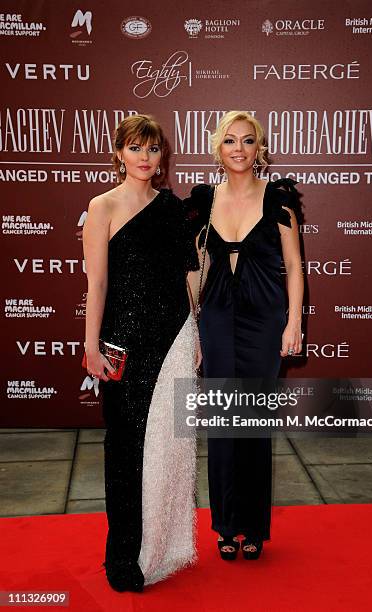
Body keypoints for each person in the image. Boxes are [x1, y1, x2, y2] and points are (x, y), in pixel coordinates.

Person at [83, 114, 199, 592]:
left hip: (171, 337)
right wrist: (90, 345)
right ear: (119, 153)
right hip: (123, 341)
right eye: (136, 149)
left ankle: (163, 545)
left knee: (169, 450)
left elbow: (188, 274)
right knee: (125, 450)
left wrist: (196, 334)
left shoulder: (172, 209)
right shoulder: (102, 206)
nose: (145, 159)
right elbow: (98, 283)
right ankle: (123, 558)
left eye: (152, 150)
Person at [185, 111, 304, 561]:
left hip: (264, 319)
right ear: (219, 148)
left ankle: (252, 526)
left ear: (260, 149)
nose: (239, 148)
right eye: (230, 140)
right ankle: (225, 525)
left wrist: (294, 322)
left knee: (252, 425)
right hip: (215, 318)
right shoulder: (201, 204)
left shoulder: (279, 202)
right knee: (221, 424)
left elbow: (294, 266)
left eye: (247, 140)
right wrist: (192, 324)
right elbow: (192, 269)